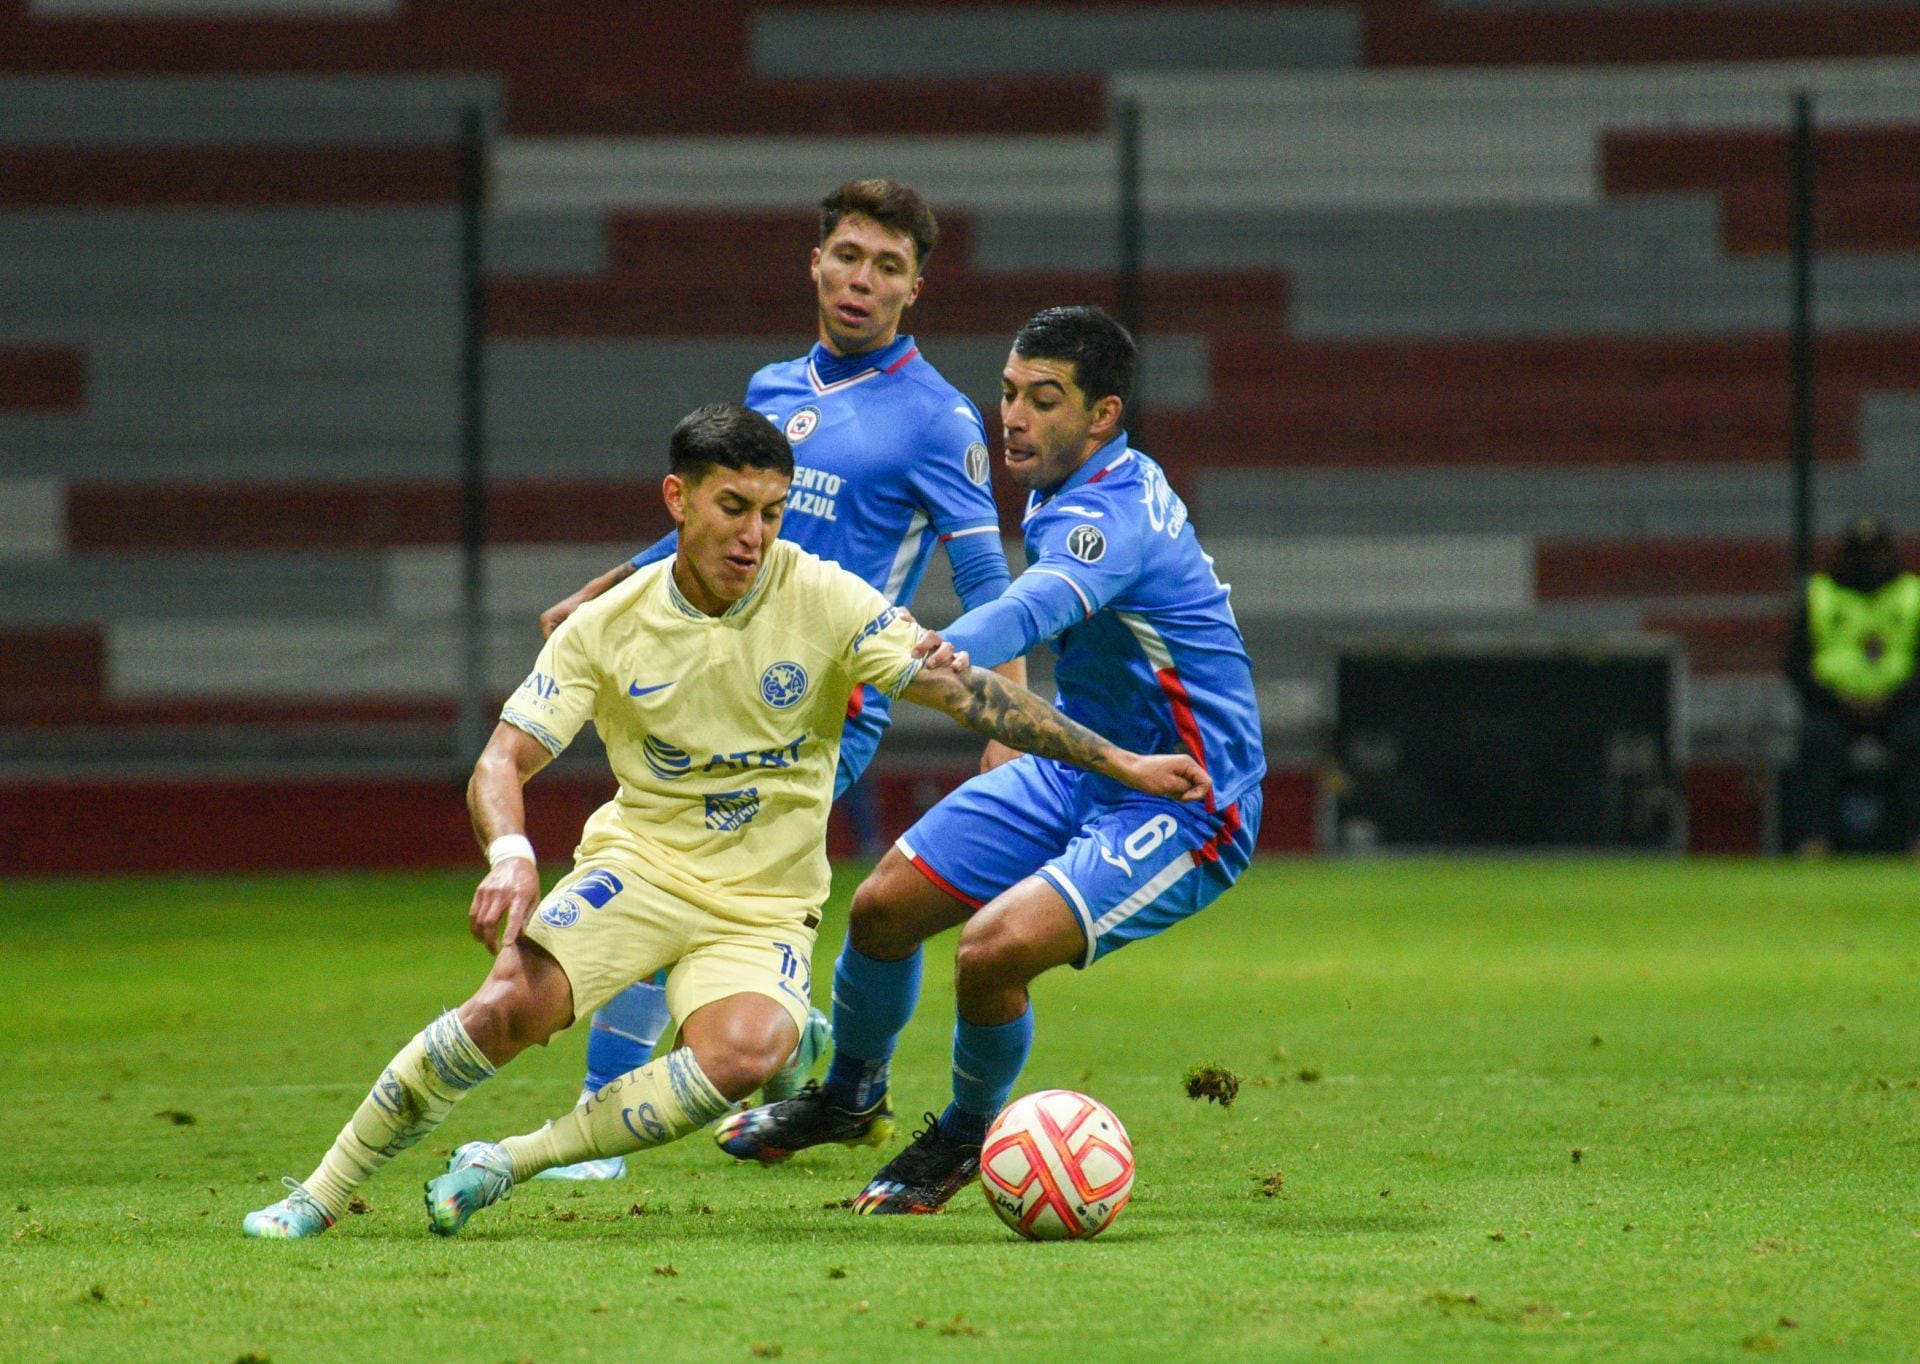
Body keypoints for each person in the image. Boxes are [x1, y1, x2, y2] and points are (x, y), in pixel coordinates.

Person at [242, 402, 1206, 1239]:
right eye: (733, 508)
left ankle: (512, 1161)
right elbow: (504, 758)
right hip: (642, 870)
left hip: (763, 907)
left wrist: (1120, 761)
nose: (755, 535)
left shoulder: (822, 595)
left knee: (747, 1053)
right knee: (504, 1011)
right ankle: (321, 1195)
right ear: (678, 501)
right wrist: (509, 853)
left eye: (773, 512)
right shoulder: (607, 625)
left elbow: (968, 696)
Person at [715, 307, 1267, 1214]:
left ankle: (968, 1135)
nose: (1012, 415)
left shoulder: (1109, 516)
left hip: (1185, 797)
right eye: (1008, 392)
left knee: (992, 950)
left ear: (1102, 415)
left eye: (1042, 399)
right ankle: (852, 1094)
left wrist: (918, 653)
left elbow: (1021, 615)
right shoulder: (1068, 483)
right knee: (885, 906)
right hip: (1083, 762)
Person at [535, 179, 1023, 1177]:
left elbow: (988, 580)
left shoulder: (939, 420)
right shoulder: (771, 387)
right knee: (676, 869)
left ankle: (602, 1108)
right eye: (848, 255)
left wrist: (1004, 730)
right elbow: (723, 522)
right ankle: (792, 1034)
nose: (861, 279)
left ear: (914, 289)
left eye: (888, 266)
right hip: (719, 674)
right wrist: (614, 584)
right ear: (816, 263)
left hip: (825, 709)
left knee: (664, 866)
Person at [1785, 517, 1920, 854]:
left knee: (1917, 736)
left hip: (1898, 708)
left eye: (1875, 553)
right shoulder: (1821, 595)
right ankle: (1813, 840)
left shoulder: (1910, 595)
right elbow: (1796, 663)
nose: (1870, 562)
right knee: (1816, 740)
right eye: (1861, 554)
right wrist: (1836, 700)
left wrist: (1895, 698)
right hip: (1834, 709)